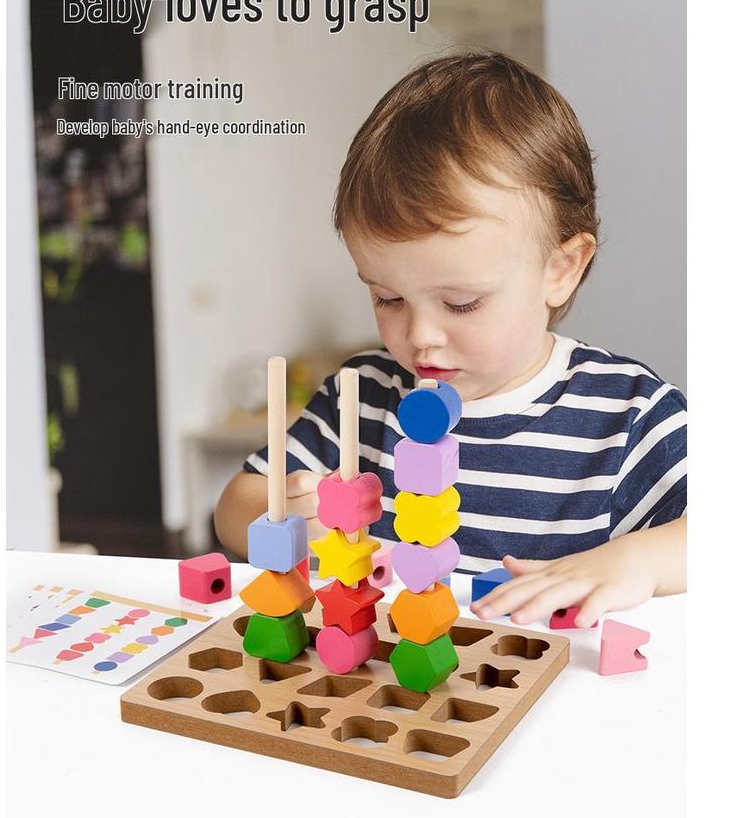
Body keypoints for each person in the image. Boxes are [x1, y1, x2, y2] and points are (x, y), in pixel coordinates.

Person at [214, 51, 686, 628]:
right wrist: (282, 515)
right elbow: (234, 505)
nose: (420, 336)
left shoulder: (627, 412)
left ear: (561, 269)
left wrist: (634, 560)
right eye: (387, 298)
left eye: (461, 303)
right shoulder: (363, 395)